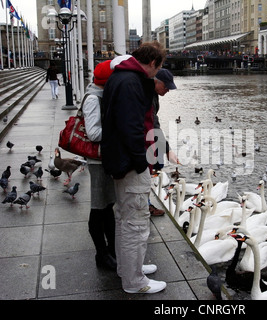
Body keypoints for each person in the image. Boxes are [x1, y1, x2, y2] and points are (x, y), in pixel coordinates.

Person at [101, 41, 167, 294]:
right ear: (152, 63)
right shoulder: (130, 82)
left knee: (124, 218)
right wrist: (142, 162)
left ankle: (129, 269)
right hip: (130, 164)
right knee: (136, 223)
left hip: (121, 161)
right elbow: (131, 128)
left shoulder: (122, 78)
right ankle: (135, 282)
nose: (156, 74)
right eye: (158, 68)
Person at [81, 60, 117, 271]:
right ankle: (101, 254)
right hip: (97, 161)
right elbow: (93, 133)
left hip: (104, 159)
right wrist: (119, 132)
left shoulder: (100, 95)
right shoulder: (94, 99)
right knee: (98, 208)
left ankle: (111, 250)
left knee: (107, 206)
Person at [148, 68, 179, 216]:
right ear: (156, 81)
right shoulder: (147, 96)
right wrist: (167, 149)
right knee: (148, 168)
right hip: (144, 139)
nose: (167, 91)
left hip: (148, 137)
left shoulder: (153, 94)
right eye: (166, 87)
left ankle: (145, 203)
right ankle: (145, 205)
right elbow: (153, 124)